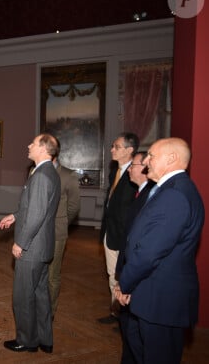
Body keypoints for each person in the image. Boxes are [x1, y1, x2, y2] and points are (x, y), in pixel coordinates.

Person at [114, 138, 205, 364]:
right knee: (137, 348)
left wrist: (124, 283)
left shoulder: (175, 194)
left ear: (172, 158)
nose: (146, 161)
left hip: (162, 299)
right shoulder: (169, 189)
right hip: (151, 294)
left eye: (151, 156)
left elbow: (148, 252)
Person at [0, 133, 60, 354]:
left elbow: (36, 215)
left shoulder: (42, 175)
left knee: (23, 297)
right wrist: (16, 215)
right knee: (40, 295)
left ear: (43, 149)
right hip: (42, 248)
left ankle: (27, 341)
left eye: (33, 143)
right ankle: (45, 339)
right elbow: (35, 207)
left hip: (32, 248)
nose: (28, 145)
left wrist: (21, 243)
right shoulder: (46, 172)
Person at [116, 151, 155, 364]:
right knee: (129, 332)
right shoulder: (141, 193)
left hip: (136, 277)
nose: (130, 168)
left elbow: (143, 245)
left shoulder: (153, 195)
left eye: (134, 165)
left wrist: (125, 280)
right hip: (129, 269)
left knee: (136, 336)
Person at [98, 132, 139, 324]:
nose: (112, 149)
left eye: (116, 146)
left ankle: (126, 316)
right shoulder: (115, 171)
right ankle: (115, 312)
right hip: (110, 233)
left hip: (125, 236)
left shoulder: (138, 173)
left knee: (125, 277)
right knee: (112, 275)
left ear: (129, 150)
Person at [48, 141, 80, 316]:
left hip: (57, 232)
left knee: (52, 275)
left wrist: (61, 221)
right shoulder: (34, 171)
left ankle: (50, 311)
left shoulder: (68, 175)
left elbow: (74, 206)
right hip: (37, 233)